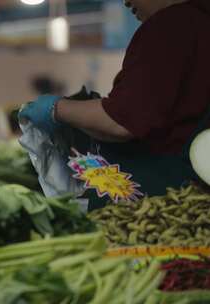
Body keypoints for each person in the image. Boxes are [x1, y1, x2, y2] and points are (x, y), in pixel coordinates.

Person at [19, 0, 210, 210]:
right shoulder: (200, 22)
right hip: (197, 197)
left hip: (168, 201)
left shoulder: (169, 26)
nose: (126, 2)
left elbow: (121, 121)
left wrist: (55, 109)